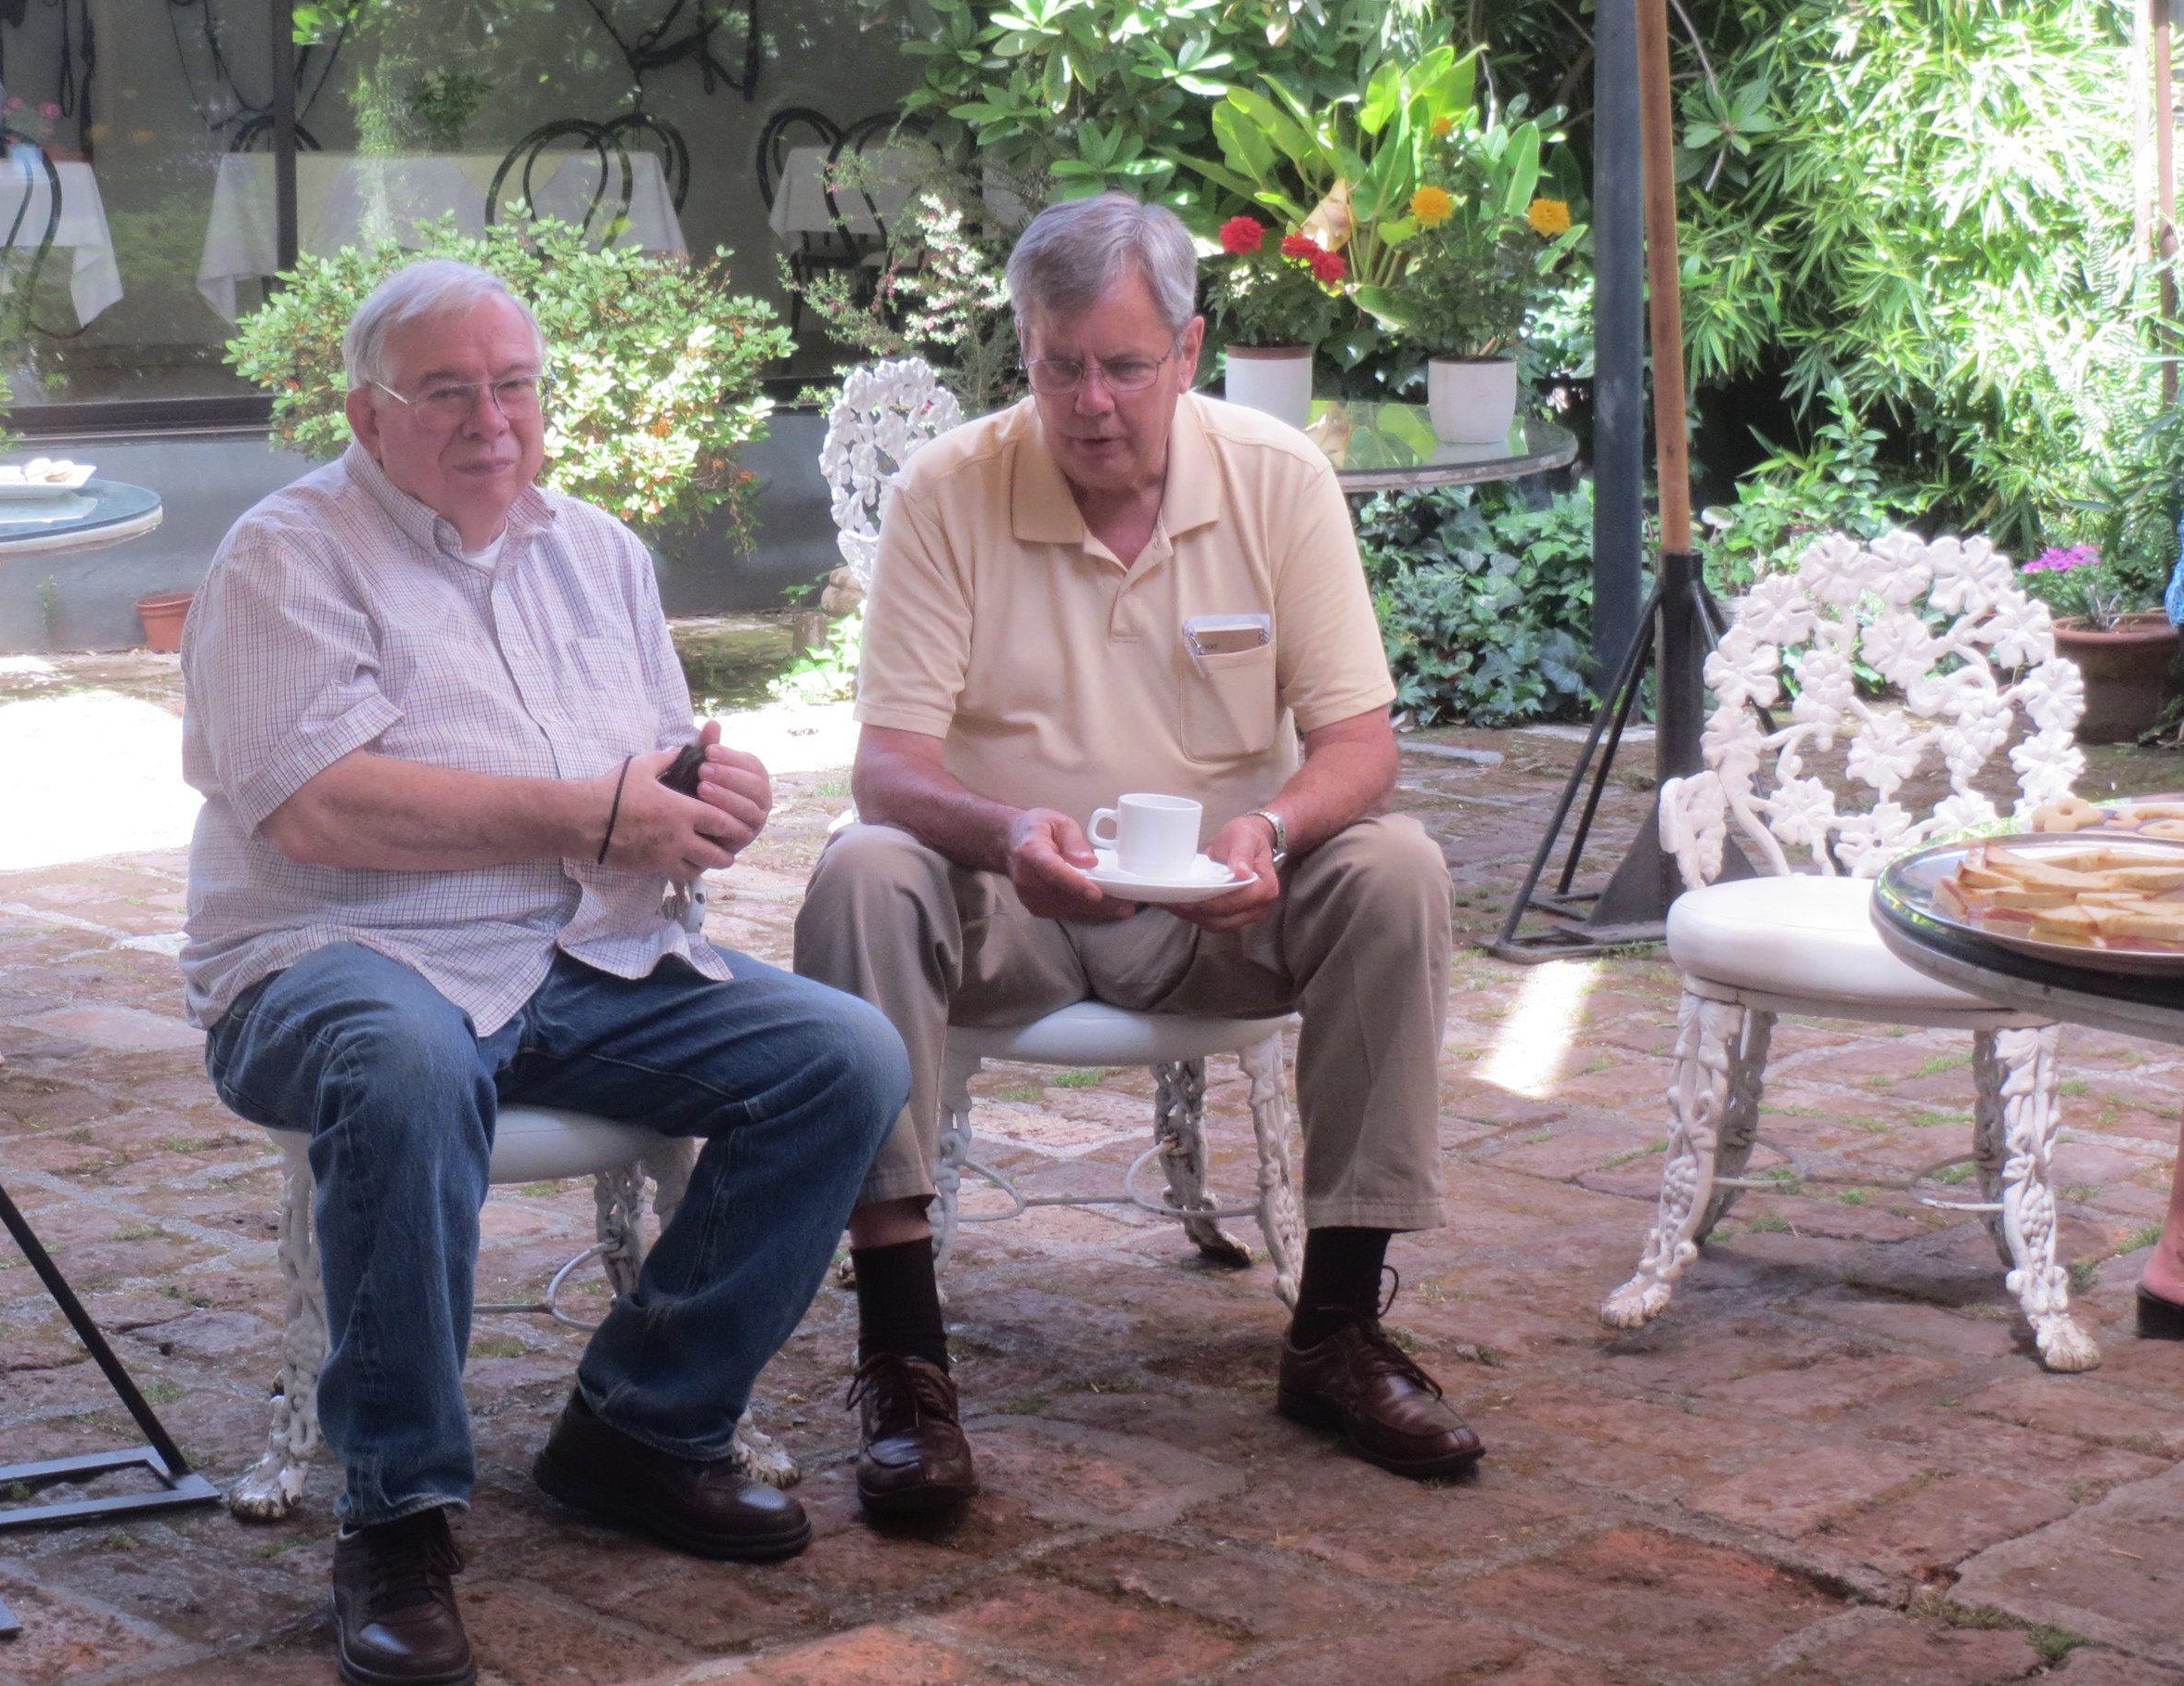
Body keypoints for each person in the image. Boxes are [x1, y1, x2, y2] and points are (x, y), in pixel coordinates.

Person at [182, 259, 908, 1686]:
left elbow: (643, 781)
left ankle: (642, 1424)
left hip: (580, 953)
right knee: (407, 1059)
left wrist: (701, 804)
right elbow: (319, 806)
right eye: (447, 391)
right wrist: (591, 812)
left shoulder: (601, 553)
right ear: (366, 412)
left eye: (513, 384)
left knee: (845, 1058)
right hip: (334, 956)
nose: (491, 419)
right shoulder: (287, 555)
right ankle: (396, 1515)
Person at [792, 192, 1480, 1522]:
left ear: (1189, 349)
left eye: (1122, 365)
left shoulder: (1277, 477)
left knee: (1394, 866)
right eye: (1059, 366)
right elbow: (888, 767)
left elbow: (1361, 743)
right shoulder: (949, 489)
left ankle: (1338, 1327)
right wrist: (1005, 834)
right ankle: (904, 1356)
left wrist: (1269, 831)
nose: (1091, 402)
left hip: (1223, 907)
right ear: (1024, 350)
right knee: (863, 868)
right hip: (1011, 906)